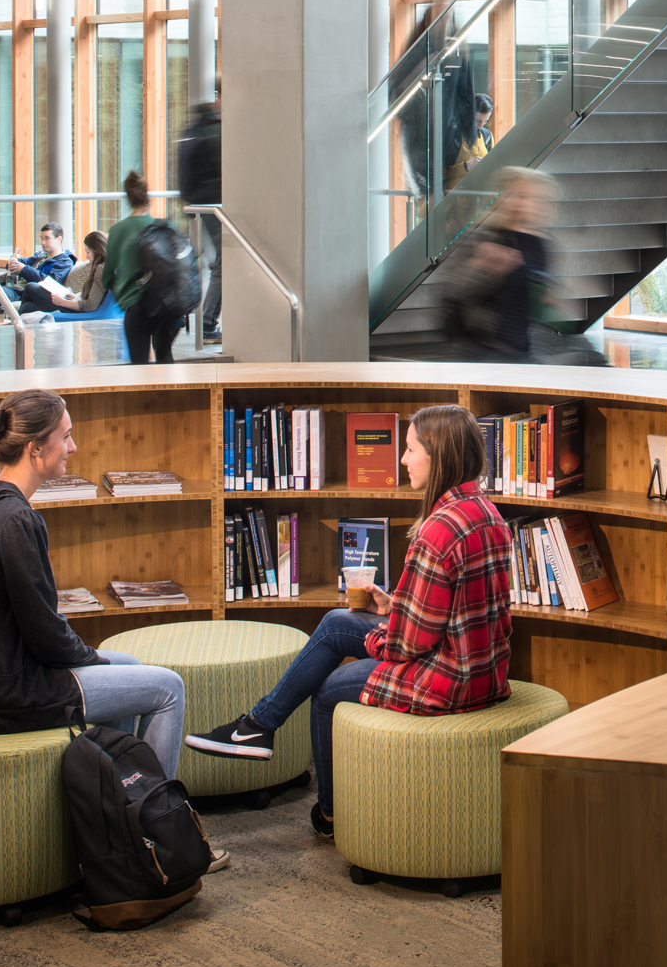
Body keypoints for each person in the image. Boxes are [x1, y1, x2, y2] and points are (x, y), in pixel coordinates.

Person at [0, 389, 227, 868]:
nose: (74, 448)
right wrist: (91, 658)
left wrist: (97, 660)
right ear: (35, 449)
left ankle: (114, 819)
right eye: (66, 437)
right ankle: (153, 836)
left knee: (129, 669)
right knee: (167, 687)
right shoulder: (16, 519)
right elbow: (44, 631)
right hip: (1, 693)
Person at [185, 404, 513, 839]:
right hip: (483, 668)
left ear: (438, 457)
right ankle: (257, 727)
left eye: (410, 449)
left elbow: (408, 645)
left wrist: (378, 638)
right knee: (339, 621)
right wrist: (392, 606)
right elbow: (450, 613)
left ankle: (330, 810)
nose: (402, 459)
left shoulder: (436, 533)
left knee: (328, 693)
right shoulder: (487, 514)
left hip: (447, 678)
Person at [434, 166, 558, 361]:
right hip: (482, 348)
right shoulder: (484, 235)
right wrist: (480, 265)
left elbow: (536, 298)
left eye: (534, 198)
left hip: (522, 349)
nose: (525, 203)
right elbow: (449, 290)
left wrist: (550, 296)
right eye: (519, 195)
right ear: (503, 197)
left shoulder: (541, 243)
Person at [103, 172, 179, 364]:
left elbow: (107, 276)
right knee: (165, 356)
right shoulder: (165, 226)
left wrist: (123, 297)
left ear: (128, 199)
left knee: (139, 365)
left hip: (136, 306)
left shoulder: (118, 230)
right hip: (167, 305)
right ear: (149, 198)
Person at [176, 90, 221, 345]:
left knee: (191, 260)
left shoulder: (193, 129)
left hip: (194, 206)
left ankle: (178, 312)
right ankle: (207, 323)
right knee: (222, 265)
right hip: (213, 205)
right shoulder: (214, 130)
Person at [19, 230, 106, 316]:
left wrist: (62, 302)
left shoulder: (101, 269)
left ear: (97, 251)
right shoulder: (105, 267)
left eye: (88, 252)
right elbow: (93, 297)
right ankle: (18, 325)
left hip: (81, 313)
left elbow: (90, 306)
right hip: (79, 306)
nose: (87, 256)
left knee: (31, 287)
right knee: (27, 307)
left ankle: (17, 326)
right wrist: (74, 297)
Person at [444, 93, 495, 193]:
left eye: (485, 121)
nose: (481, 125)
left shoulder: (487, 136)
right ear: (468, 113)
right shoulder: (452, 135)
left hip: (479, 196)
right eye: (477, 120)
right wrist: (466, 166)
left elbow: (492, 170)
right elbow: (439, 174)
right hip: (453, 198)